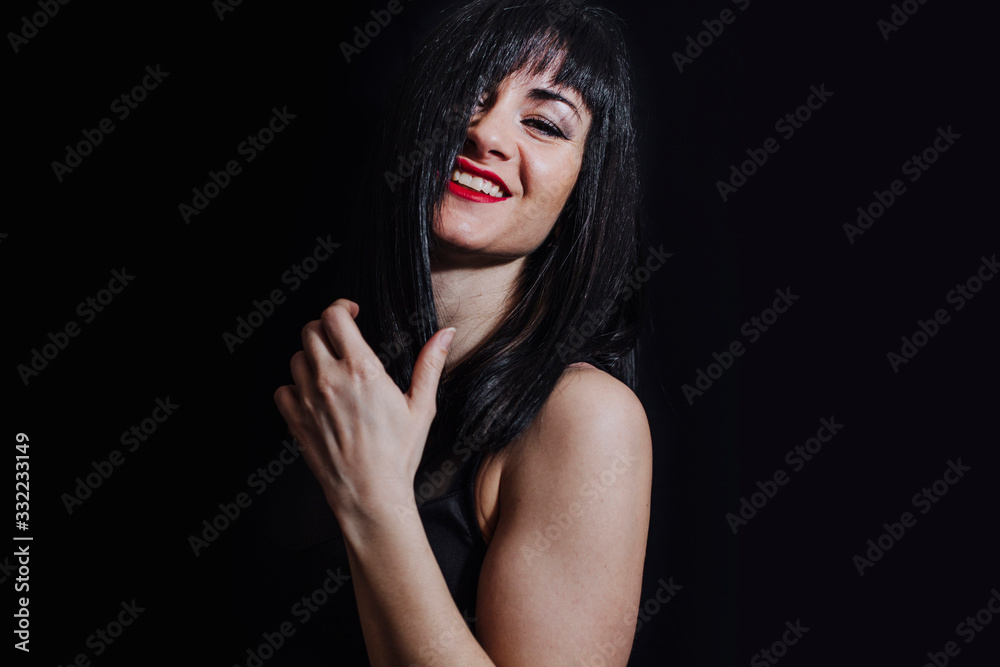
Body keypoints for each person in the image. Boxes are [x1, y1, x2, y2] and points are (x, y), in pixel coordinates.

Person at [267, 1, 652, 664]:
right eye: (470, 95)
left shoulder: (586, 418)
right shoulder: (319, 365)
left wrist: (375, 499)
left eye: (542, 122)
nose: (488, 133)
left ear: (584, 186)